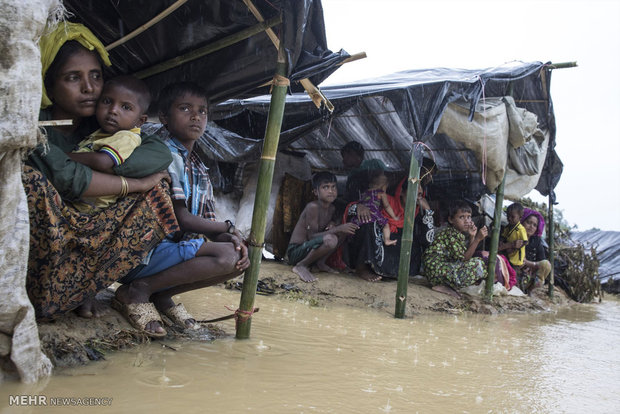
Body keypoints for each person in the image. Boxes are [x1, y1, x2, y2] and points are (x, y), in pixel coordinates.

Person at [24, 22, 177, 320]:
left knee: (159, 192)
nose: (90, 88)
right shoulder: (33, 128)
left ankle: (84, 288)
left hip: (89, 224)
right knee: (30, 182)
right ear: (48, 85)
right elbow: (71, 181)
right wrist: (135, 183)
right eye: (73, 78)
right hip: (45, 235)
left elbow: (159, 153)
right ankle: (40, 290)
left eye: (95, 76)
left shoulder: (105, 125)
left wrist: (104, 163)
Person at [112, 81, 250, 337]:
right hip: (140, 254)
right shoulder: (164, 154)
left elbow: (207, 224)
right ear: (164, 116)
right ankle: (138, 290)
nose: (196, 116)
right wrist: (228, 227)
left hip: (169, 254)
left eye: (202, 111)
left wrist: (234, 238)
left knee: (239, 257)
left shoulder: (199, 167)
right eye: (185, 109)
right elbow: (182, 219)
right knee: (226, 257)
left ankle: (161, 294)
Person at [68, 75, 151, 212]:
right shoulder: (103, 132)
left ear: (140, 121)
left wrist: (63, 156)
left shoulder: (127, 137)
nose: (113, 110)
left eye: (125, 107)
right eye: (107, 101)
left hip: (86, 209)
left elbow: (103, 162)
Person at [287, 172, 359, 282]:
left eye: (333, 187)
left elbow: (325, 228)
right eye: (325, 187)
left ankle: (321, 262)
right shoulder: (313, 207)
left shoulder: (332, 209)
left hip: (310, 248)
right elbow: (312, 236)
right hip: (296, 251)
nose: (331, 191)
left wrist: (334, 225)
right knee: (331, 238)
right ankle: (301, 265)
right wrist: (338, 228)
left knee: (343, 232)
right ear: (316, 192)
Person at [423, 200, 488, 297]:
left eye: (469, 217)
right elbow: (464, 259)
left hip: (438, 271)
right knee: (478, 264)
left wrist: (472, 237)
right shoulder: (451, 234)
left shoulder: (456, 234)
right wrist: (477, 239)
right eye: (462, 217)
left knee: (477, 263)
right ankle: (443, 285)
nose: (467, 221)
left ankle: (445, 285)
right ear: (451, 220)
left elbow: (466, 258)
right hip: (436, 271)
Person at [350, 169, 399, 246]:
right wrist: (394, 217)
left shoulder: (364, 193)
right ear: (384, 187)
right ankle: (387, 239)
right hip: (374, 213)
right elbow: (387, 206)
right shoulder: (381, 193)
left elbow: (359, 202)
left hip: (361, 215)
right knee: (386, 225)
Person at [520, 208, 551, 292]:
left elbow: (542, 260)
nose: (531, 227)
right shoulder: (516, 236)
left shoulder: (536, 241)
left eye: (534, 225)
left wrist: (528, 264)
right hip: (515, 272)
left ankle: (532, 290)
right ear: (522, 222)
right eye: (529, 222)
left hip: (530, 274)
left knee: (546, 264)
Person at [499, 202, 528, 269]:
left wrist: (515, 246)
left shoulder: (520, 229)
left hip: (516, 259)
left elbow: (525, 241)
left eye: (512, 217)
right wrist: (501, 241)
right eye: (508, 216)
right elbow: (503, 236)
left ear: (520, 217)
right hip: (509, 254)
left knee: (512, 272)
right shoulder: (507, 227)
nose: (509, 218)